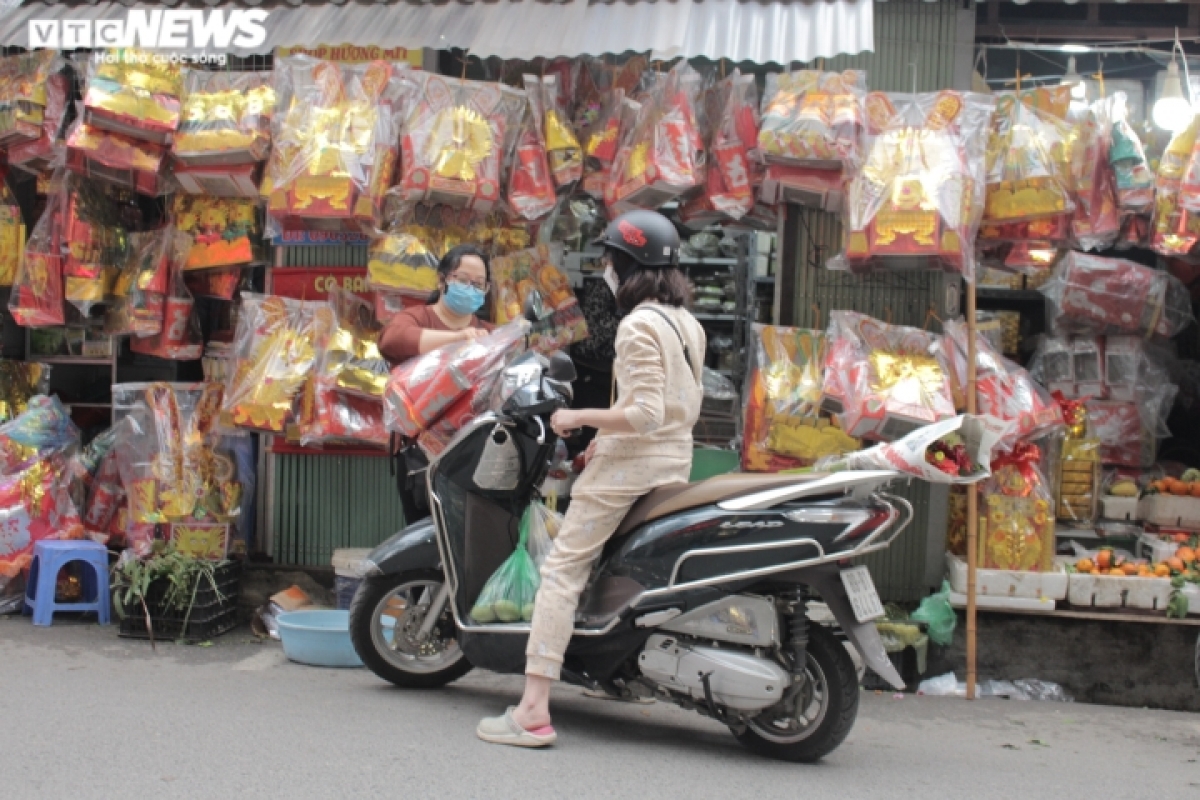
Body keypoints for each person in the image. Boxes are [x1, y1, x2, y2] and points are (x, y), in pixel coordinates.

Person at [476, 210, 705, 748]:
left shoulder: (640, 323)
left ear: (626, 264)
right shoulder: (685, 322)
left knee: (562, 571)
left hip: (631, 467)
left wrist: (580, 420)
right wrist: (609, 432)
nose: (606, 268)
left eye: (609, 259)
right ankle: (614, 672)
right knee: (617, 565)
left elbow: (646, 412)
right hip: (673, 462)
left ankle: (532, 709)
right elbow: (675, 406)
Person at [379, 244, 494, 525]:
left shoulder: (490, 334)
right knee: (426, 532)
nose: (471, 288)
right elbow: (391, 340)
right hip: (420, 453)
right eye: (463, 280)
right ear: (442, 280)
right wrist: (457, 338)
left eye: (478, 284)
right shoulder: (418, 317)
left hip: (473, 454)